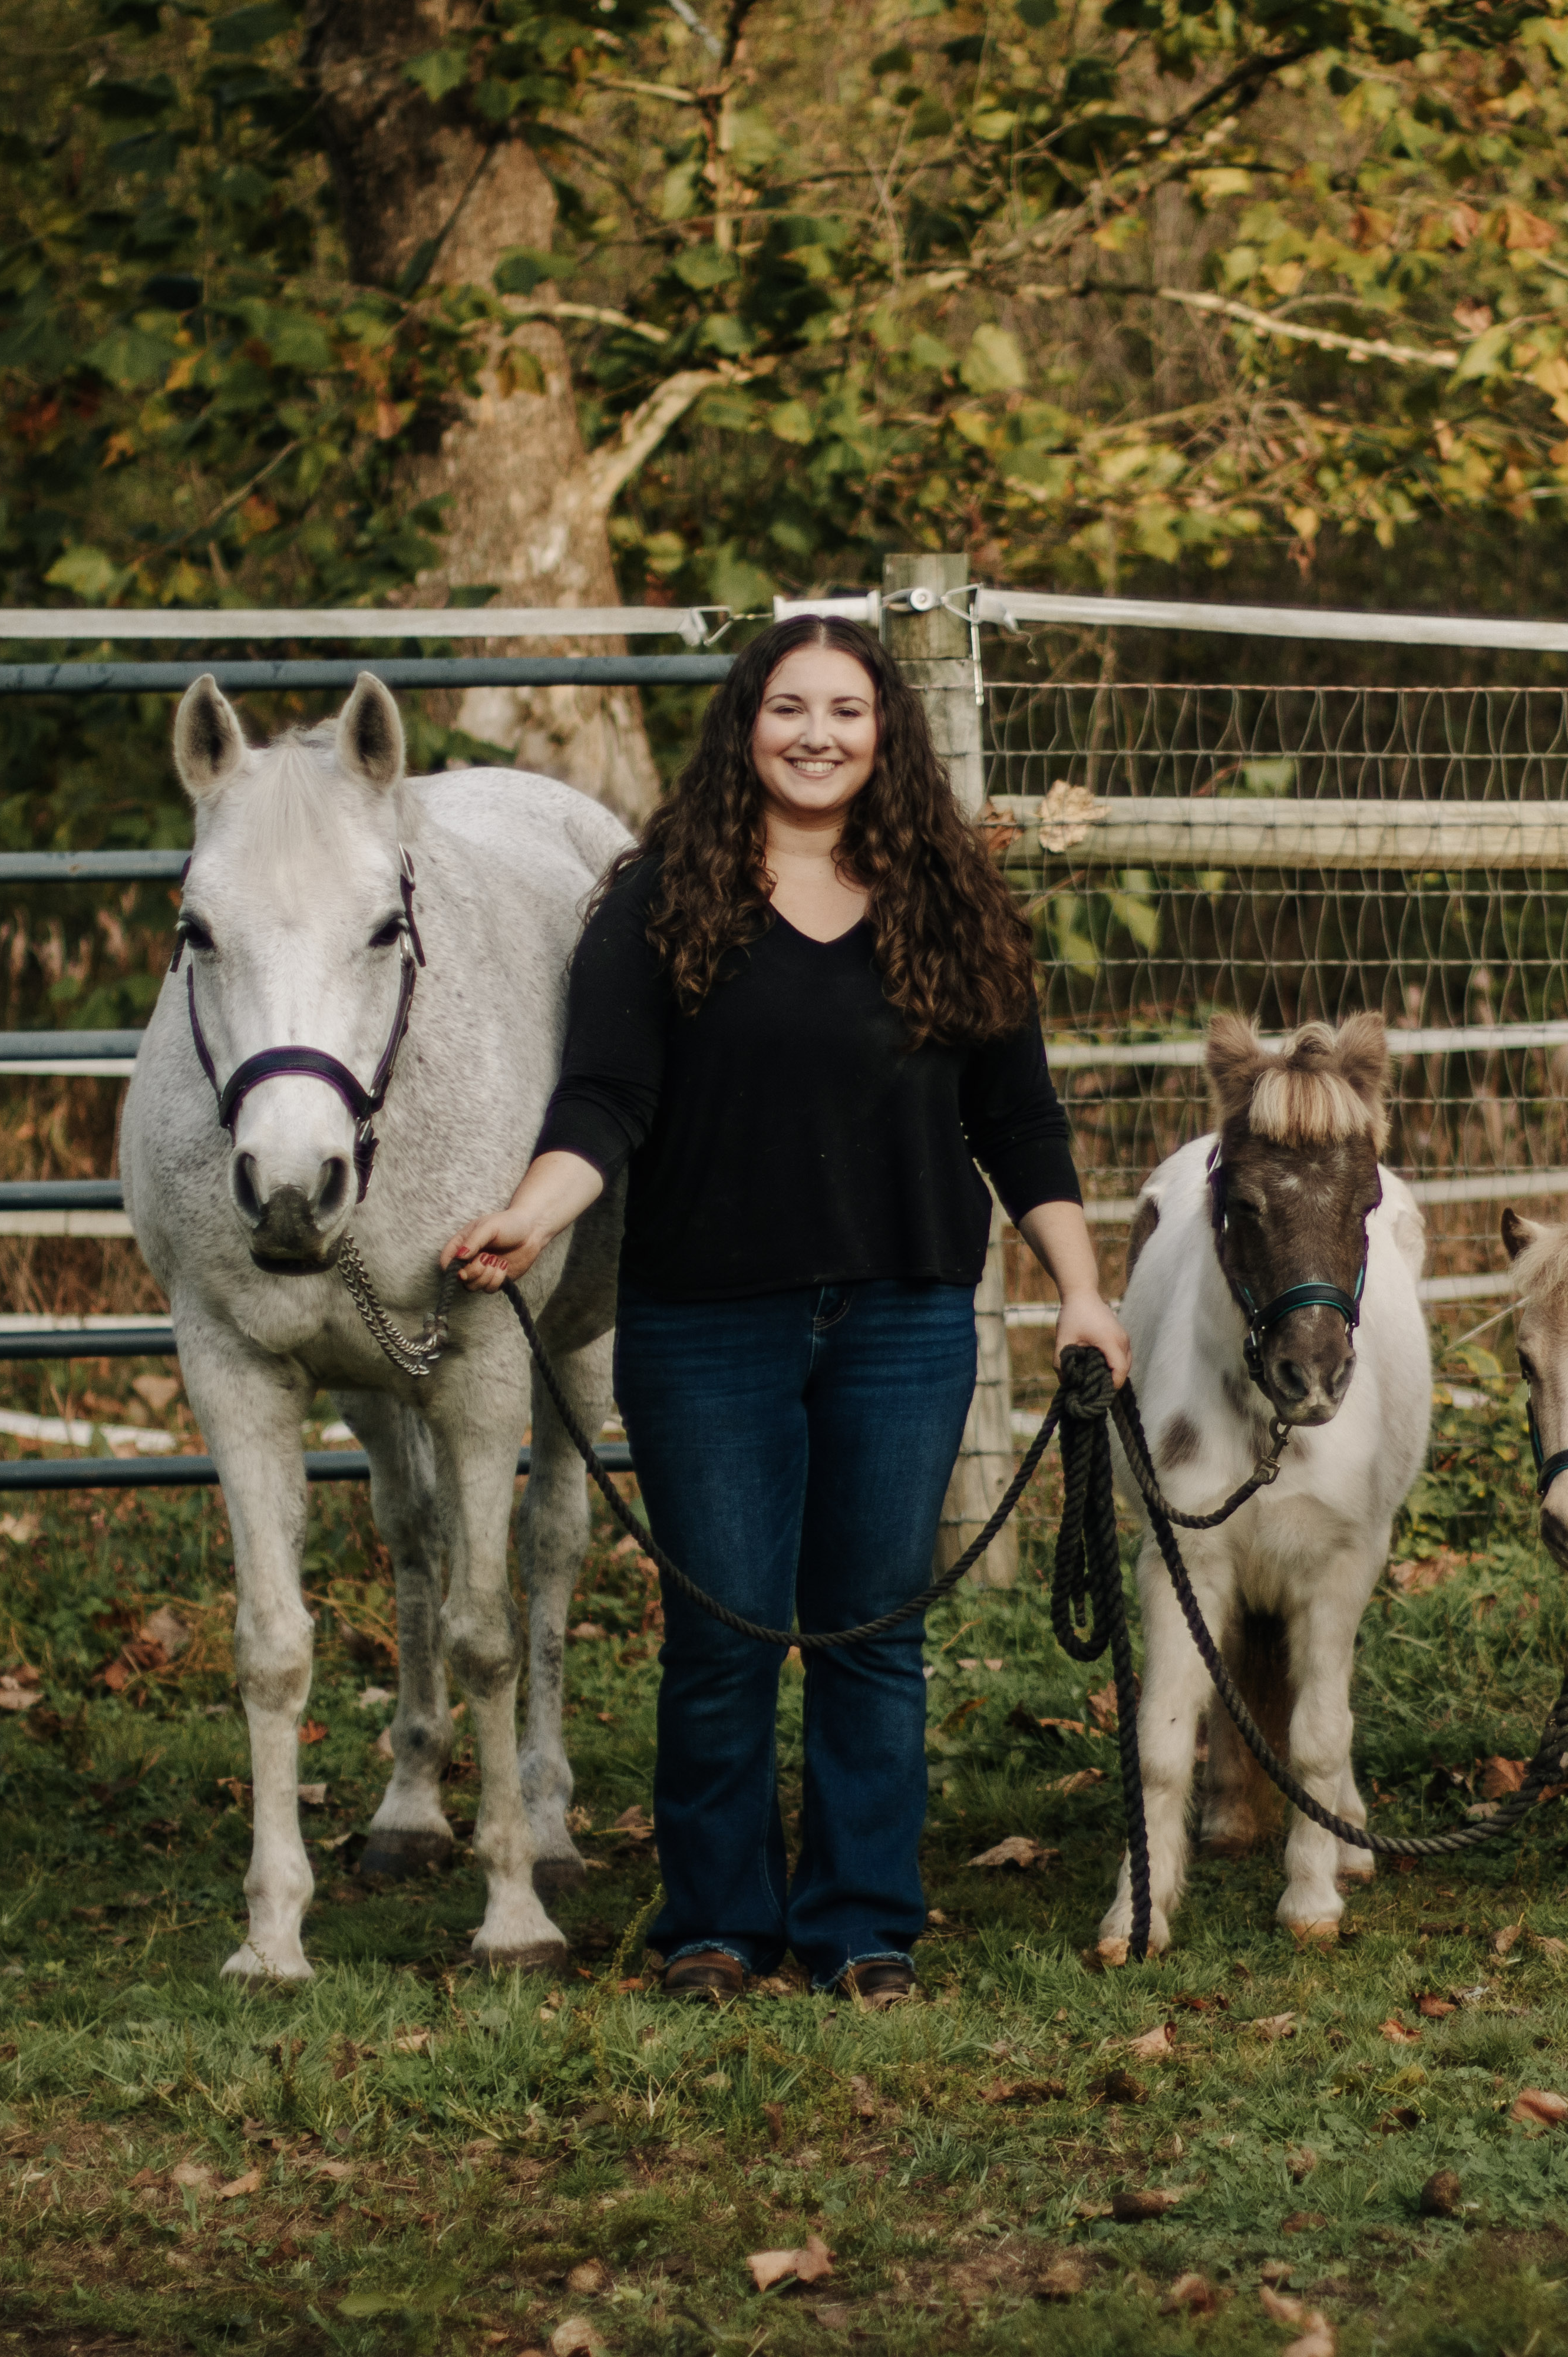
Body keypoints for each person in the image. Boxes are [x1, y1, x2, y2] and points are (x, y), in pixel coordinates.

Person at [443, 612, 1129, 2011]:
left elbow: (1021, 1120)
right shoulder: (655, 902)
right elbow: (606, 1100)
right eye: (789, 706)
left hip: (906, 1317)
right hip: (706, 1321)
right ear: (745, 722)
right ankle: (716, 1922)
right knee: (727, 1629)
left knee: (874, 1629)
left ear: (888, 733)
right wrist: (533, 1209)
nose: (817, 733)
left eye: (848, 709)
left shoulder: (955, 902)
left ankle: (864, 1921)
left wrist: (1083, 1293)